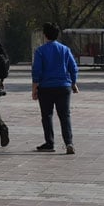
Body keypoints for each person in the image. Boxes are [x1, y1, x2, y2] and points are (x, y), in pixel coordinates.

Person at [31, 22, 79, 154]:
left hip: (46, 88)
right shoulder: (65, 49)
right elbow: (73, 68)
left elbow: (37, 71)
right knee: (65, 115)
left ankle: (49, 142)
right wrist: (73, 83)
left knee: (47, 115)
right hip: (63, 87)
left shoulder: (40, 51)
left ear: (45, 35)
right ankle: (69, 142)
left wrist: (34, 88)